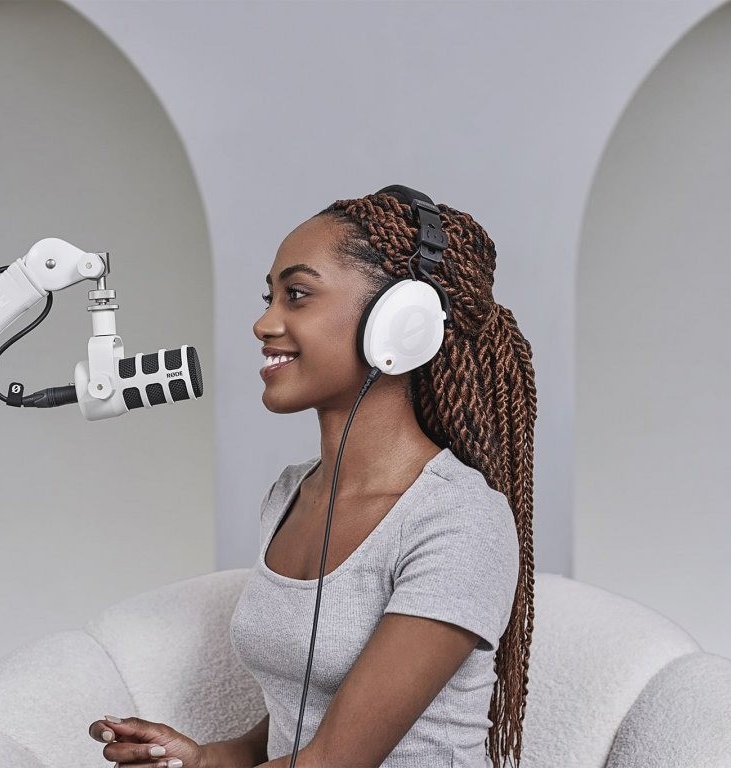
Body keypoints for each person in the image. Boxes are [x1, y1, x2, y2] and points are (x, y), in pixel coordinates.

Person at [89, 190, 537, 768]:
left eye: (297, 294)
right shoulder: (290, 495)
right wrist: (202, 760)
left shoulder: (459, 521)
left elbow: (331, 763)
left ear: (399, 323)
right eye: (269, 297)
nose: (264, 322)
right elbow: (300, 719)